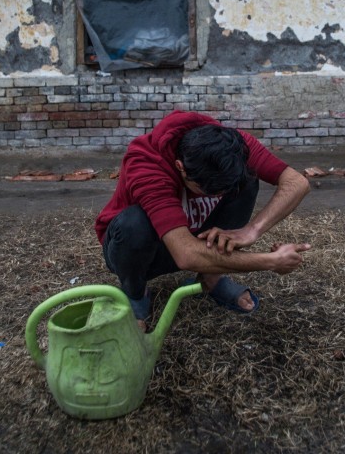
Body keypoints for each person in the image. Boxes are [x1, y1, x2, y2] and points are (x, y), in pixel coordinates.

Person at [95, 110, 312, 331]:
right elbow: (186, 255)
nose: (215, 197)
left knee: (246, 180)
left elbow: (297, 183)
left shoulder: (232, 145)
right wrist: (270, 261)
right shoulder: (147, 164)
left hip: (195, 236)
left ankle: (212, 277)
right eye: (206, 190)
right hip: (141, 249)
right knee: (133, 223)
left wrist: (252, 230)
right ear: (180, 167)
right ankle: (135, 293)